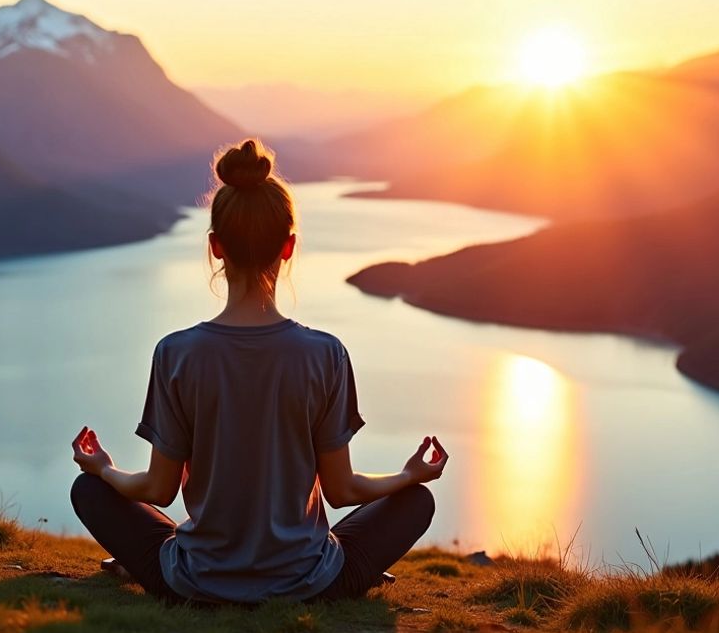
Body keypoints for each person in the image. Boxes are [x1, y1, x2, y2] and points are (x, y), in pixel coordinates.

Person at [69, 138, 448, 604]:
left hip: (195, 582)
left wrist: (103, 468)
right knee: (417, 502)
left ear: (216, 247)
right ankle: (338, 576)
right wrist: (410, 475)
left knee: (89, 491)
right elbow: (343, 490)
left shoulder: (176, 354)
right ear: (288, 247)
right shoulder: (325, 354)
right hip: (308, 585)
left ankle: (176, 565)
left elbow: (157, 490)